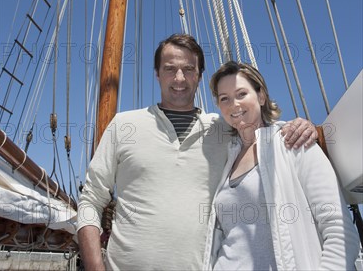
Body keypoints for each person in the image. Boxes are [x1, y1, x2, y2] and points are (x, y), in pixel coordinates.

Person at [77, 34, 318, 271]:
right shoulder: (124, 125)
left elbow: (265, 134)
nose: (179, 78)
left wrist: (307, 128)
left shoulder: (225, 129)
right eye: (170, 69)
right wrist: (95, 266)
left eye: (189, 69)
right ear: (157, 74)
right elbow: (91, 199)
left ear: (200, 76)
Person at [202, 61, 359, 271]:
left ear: (261, 96)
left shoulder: (293, 142)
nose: (234, 104)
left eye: (241, 94)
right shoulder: (226, 160)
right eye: (224, 99)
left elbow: (338, 228)